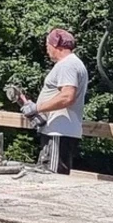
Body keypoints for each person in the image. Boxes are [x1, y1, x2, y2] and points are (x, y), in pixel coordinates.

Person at [20, 27, 88, 174]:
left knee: (53, 177)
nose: (47, 50)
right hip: (57, 132)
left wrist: (36, 108)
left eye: (47, 46)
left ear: (55, 45)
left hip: (58, 131)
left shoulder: (67, 65)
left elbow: (67, 96)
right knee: (47, 174)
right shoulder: (72, 64)